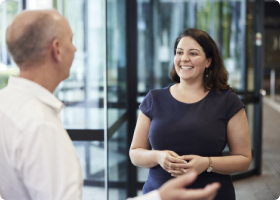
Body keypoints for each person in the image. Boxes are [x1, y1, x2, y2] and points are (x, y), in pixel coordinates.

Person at [0, 10, 220, 200]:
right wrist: (159, 197)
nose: (75, 49)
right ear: (56, 49)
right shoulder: (40, 125)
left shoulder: (7, 104)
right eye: (71, 40)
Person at [130, 28, 252, 200]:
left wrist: (208, 164)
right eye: (179, 52)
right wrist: (158, 156)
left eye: (193, 53)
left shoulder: (227, 101)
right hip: (159, 195)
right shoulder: (154, 98)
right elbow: (135, 153)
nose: (184, 58)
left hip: (211, 195)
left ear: (208, 61)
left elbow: (244, 159)